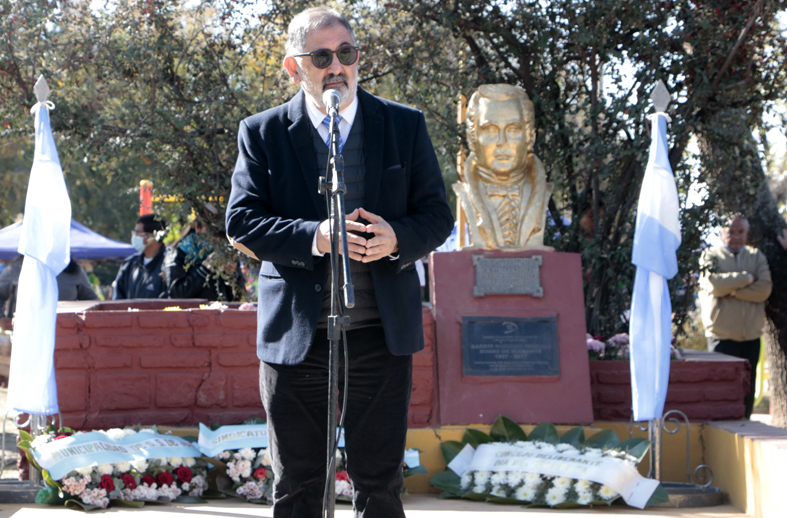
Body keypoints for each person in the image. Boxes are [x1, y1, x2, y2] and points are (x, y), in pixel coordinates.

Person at [224, 7, 453, 517]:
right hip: (299, 338)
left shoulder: (404, 125)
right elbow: (242, 222)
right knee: (299, 485)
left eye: (345, 54)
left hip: (380, 336)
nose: (337, 67)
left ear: (358, 59)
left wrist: (397, 237)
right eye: (322, 56)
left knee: (380, 485)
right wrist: (316, 236)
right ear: (293, 66)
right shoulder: (262, 133)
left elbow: (438, 216)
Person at [699, 215, 772, 418]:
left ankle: (745, 421)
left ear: (747, 234)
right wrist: (747, 278)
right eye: (732, 231)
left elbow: (764, 290)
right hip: (721, 335)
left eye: (741, 231)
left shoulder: (756, 257)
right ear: (722, 232)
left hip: (750, 336)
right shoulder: (710, 255)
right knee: (719, 386)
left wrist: (730, 290)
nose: (736, 236)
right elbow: (713, 283)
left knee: (746, 386)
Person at [163, 219, 243, 301]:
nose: (217, 238)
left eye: (222, 232)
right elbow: (176, 293)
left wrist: (232, 275)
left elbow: (237, 297)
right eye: (213, 231)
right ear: (197, 226)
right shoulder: (176, 254)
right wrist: (204, 269)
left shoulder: (225, 254)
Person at [0, 254, 98, 317]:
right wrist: (1, 319)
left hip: (65, 338)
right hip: (28, 338)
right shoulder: (18, 267)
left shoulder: (73, 270)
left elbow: (93, 301)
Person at [112, 214, 169, 299]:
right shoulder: (129, 265)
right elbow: (117, 299)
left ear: (152, 236)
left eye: (138, 233)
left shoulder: (169, 266)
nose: (134, 236)